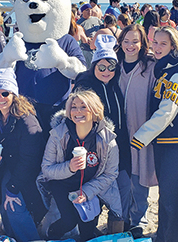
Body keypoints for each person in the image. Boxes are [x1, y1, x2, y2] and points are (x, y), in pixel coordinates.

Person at [130, 26, 178, 242]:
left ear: (174, 46)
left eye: (164, 43)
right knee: (166, 196)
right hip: (166, 141)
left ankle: (172, 237)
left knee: (172, 197)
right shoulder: (166, 68)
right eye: (155, 42)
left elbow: (166, 112)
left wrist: (139, 138)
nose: (157, 47)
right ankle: (164, 235)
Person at [39, 89, 121, 242]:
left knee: (87, 229)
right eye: (74, 107)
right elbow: (47, 169)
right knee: (69, 221)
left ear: (95, 110)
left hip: (90, 186)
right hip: (62, 184)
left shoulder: (107, 140)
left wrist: (87, 192)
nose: (77, 111)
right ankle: (51, 235)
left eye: (83, 107)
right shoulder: (58, 135)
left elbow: (111, 174)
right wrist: (69, 167)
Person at [74, 35, 131, 232]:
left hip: (120, 146)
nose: (107, 72)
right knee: (96, 190)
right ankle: (89, 231)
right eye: (102, 67)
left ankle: (118, 230)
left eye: (111, 67)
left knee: (123, 190)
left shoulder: (116, 84)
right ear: (94, 66)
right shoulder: (85, 84)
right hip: (95, 148)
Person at [0, 68, 46, 242]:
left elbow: (30, 160)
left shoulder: (27, 122)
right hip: (9, 167)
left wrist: (12, 188)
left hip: (27, 171)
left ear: (14, 95)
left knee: (13, 205)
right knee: (5, 207)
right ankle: (12, 237)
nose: (0, 98)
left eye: (5, 93)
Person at [115, 24, 156, 233]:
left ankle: (139, 218)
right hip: (117, 133)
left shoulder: (150, 67)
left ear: (142, 44)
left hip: (141, 130)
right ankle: (121, 218)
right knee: (121, 176)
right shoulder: (114, 66)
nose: (130, 45)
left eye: (135, 41)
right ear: (120, 42)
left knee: (140, 176)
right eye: (126, 41)